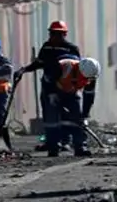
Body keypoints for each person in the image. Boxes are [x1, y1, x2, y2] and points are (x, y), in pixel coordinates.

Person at [14, 21, 83, 156]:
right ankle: (53, 145)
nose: (54, 36)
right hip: (49, 87)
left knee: (72, 118)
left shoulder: (71, 49)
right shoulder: (46, 47)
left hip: (68, 89)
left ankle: (75, 144)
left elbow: (77, 70)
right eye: (52, 33)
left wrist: (74, 88)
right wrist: (24, 70)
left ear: (64, 34)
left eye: (58, 34)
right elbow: (39, 63)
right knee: (51, 119)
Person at [48, 56, 102, 157]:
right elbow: (48, 79)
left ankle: (80, 147)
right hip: (53, 91)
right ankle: (53, 147)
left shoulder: (91, 75)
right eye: (85, 78)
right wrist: (51, 94)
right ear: (79, 71)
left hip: (71, 92)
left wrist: (85, 115)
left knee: (78, 119)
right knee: (52, 120)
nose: (87, 81)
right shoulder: (64, 67)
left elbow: (89, 96)